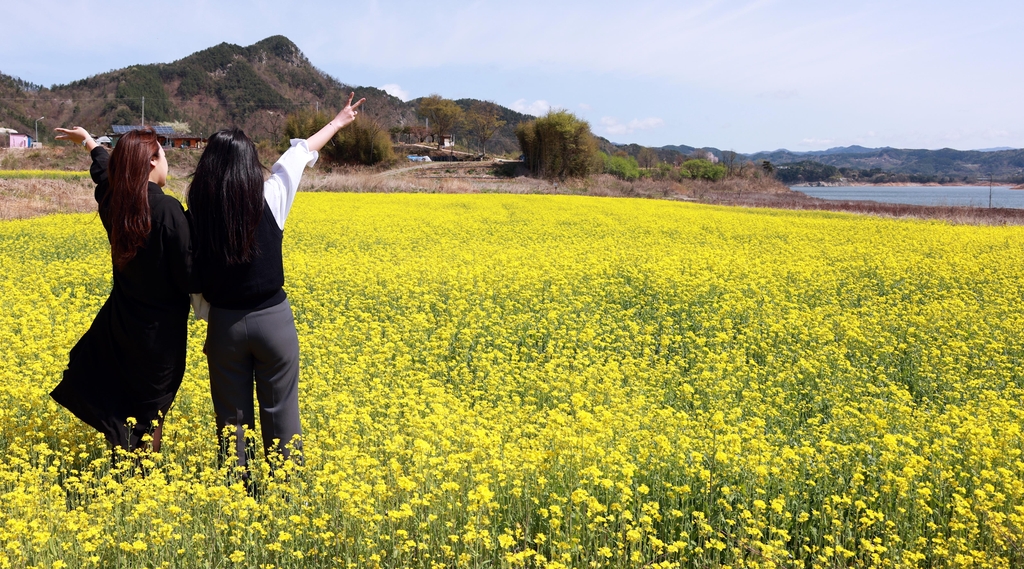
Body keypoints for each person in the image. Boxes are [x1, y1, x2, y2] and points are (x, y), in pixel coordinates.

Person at [188, 93, 365, 475]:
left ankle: (238, 492)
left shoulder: (197, 211)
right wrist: (337, 122)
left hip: (225, 326)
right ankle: (285, 495)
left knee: (232, 421)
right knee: (281, 411)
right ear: (249, 164)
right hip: (273, 320)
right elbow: (298, 155)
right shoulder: (270, 195)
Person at [50, 127, 195, 452]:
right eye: (162, 152)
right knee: (149, 415)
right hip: (160, 338)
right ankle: (141, 479)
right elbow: (191, 279)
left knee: (125, 402)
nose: (166, 160)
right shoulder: (168, 212)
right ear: (151, 163)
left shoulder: (115, 203)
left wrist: (90, 143)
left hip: (120, 326)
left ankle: (128, 473)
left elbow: (103, 174)